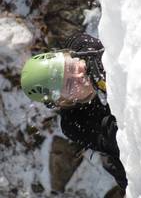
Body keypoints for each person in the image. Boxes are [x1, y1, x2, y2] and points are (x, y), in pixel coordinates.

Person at [21, 33, 128, 198]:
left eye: (71, 67)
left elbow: (79, 40)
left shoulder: (81, 53)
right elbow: (117, 135)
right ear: (63, 101)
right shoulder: (75, 123)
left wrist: (95, 61)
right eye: (70, 85)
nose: (79, 76)